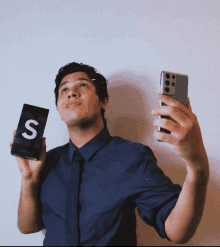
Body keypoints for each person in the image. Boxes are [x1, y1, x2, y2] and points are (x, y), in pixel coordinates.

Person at [12, 62, 210, 246]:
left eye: (82, 86)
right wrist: (29, 179)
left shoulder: (133, 157)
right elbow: (28, 227)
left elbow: (177, 231)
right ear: (58, 107)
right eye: (64, 89)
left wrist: (197, 165)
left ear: (103, 100)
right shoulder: (47, 160)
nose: (71, 92)